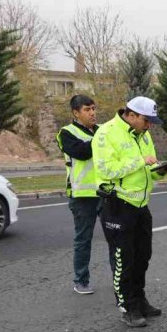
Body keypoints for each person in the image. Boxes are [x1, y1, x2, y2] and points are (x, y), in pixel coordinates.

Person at [92, 97, 167, 328]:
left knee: (142, 257)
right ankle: (127, 307)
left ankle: (139, 300)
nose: (149, 126)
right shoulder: (106, 133)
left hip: (141, 205)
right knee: (123, 260)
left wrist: (161, 170)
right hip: (118, 205)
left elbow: (149, 171)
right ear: (131, 115)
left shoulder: (143, 135)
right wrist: (140, 161)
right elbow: (106, 170)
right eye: (146, 121)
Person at [56, 94, 100, 294]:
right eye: (87, 109)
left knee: (116, 238)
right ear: (76, 113)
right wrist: (102, 140)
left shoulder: (101, 130)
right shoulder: (66, 133)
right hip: (82, 195)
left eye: (94, 108)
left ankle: (121, 280)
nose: (92, 113)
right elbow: (82, 152)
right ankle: (81, 281)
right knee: (83, 240)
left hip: (106, 193)